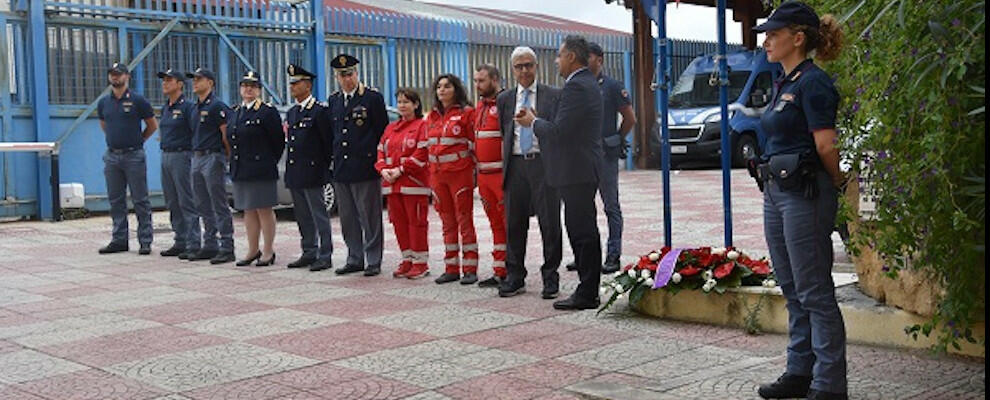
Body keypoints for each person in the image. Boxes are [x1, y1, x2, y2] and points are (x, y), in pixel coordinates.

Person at [752, 2, 847, 400]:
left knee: (814, 291)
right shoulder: (783, 81)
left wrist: (841, 182)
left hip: (805, 193)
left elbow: (826, 144)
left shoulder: (813, 83)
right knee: (792, 288)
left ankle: (829, 385)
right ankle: (799, 371)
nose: (767, 39)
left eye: (774, 33)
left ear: (798, 37)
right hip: (776, 192)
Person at [514, 35, 602, 310]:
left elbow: (561, 133)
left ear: (571, 57)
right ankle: (588, 288)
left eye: (559, 55)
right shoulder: (584, 83)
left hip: (576, 170)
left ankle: (588, 292)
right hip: (580, 168)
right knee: (582, 228)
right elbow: (568, 126)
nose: (556, 60)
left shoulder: (576, 86)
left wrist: (533, 122)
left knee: (582, 230)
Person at [496, 47, 563, 299]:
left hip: (543, 165)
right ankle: (515, 276)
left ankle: (550, 276)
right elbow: (505, 133)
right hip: (515, 165)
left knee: (550, 222)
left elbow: (557, 131)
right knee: (514, 223)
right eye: (519, 66)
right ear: (512, 70)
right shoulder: (505, 99)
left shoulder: (553, 95)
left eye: (528, 65)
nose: (524, 70)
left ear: (536, 67)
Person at [564, 42, 636, 274]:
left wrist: (616, 139)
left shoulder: (612, 86)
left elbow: (630, 118)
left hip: (605, 155)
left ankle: (613, 254)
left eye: (591, 57)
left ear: (600, 60)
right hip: (581, 156)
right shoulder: (576, 85)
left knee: (610, 206)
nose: (587, 61)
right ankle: (583, 254)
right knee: (582, 207)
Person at [327, 54, 388, 277]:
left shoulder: (372, 98)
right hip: (342, 167)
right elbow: (332, 134)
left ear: (357, 74)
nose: (347, 79)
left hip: (365, 166)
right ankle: (355, 257)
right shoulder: (334, 100)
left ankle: (373, 258)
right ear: (336, 77)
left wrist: (378, 161)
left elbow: (382, 131)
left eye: (350, 74)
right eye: (342, 76)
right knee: (348, 217)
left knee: (369, 215)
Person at [96, 62, 157, 255]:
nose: (115, 78)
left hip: (133, 155)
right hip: (112, 156)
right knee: (116, 200)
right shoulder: (104, 102)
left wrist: (138, 140)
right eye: (112, 74)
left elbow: (152, 126)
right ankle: (119, 239)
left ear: (127, 77)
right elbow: (104, 125)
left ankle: (145, 240)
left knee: (140, 200)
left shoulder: (138, 100)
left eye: (119, 74)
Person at [227, 71, 284, 267]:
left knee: (264, 210)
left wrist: (267, 161)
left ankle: (268, 251)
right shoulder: (235, 111)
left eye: (252, 85)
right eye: (244, 85)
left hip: (261, 169)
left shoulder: (267, 112)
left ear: (259, 90)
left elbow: (278, 142)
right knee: (248, 210)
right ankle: (252, 250)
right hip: (241, 169)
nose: (248, 89)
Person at [426, 74, 478, 285]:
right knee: (447, 223)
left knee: (464, 220)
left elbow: (475, 145)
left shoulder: (467, 113)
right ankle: (451, 268)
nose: (442, 90)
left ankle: (470, 268)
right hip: (438, 177)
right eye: (439, 87)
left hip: (460, 175)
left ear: (456, 89)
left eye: (447, 86)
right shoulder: (431, 117)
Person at [284, 64, 335, 272]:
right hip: (296, 171)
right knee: (302, 215)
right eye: (291, 84)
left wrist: (322, 168)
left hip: (313, 171)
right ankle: (308, 251)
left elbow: (327, 143)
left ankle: (325, 253)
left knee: (318, 214)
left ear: (308, 85)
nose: (292, 87)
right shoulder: (293, 112)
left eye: (296, 83)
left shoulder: (320, 111)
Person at [376, 89, 431, 280]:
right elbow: (381, 150)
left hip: (413, 184)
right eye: (399, 102)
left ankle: (420, 262)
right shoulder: (391, 128)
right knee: (399, 224)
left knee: (416, 223)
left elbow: (422, 153)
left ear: (416, 104)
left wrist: (401, 169)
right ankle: (407, 259)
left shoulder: (422, 126)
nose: (402, 106)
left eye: (406, 102)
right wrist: (383, 170)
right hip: (392, 185)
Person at [186, 67, 235, 264]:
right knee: (202, 203)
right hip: (197, 157)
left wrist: (225, 159)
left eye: (199, 79)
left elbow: (226, 136)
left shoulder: (217, 106)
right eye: (194, 79)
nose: (195, 83)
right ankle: (210, 243)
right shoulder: (194, 108)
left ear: (210, 82)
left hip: (213, 156)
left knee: (218, 202)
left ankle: (227, 245)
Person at [156, 69, 200, 260]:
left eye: (169, 80)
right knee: (172, 200)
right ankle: (180, 239)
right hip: (166, 155)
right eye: (163, 80)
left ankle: (193, 242)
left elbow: (195, 131)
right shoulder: (166, 107)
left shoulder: (188, 107)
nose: (165, 84)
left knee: (186, 200)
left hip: (182, 156)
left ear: (180, 84)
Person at [472, 64, 509, 287]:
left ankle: (513, 271)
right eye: (476, 81)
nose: (477, 85)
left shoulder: (505, 104)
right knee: (495, 225)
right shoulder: (480, 107)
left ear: (495, 80)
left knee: (508, 225)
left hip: (501, 176)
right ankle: (499, 270)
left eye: (482, 81)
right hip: (484, 177)